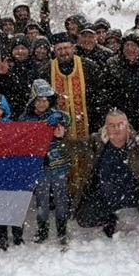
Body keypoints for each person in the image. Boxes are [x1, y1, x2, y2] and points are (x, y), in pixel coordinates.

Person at [77, 109, 139, 240]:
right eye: (112, 125)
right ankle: (109, 219)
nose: (116, 128)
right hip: (106, 196)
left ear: (127, 125)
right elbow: (75, 148)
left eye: (120, 124)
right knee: (83, 218)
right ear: (106, 127)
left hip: (135, 193)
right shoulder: (96, 141)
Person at [50, 38, 107, 204]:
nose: (63, 52)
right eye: (59, 49)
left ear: (73, 48)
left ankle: (87, 195)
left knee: (89, 161)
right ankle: (64, 197)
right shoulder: (47, 70)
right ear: (54, 51)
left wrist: (98, 122)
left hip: (88, 126)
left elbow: (100, 96)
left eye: (66, 48)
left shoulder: (89, 67)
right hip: (59, 131)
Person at [22, 80, 72, 247]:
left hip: (59, 165)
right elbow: (22, 132)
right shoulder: (25, 119)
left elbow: (68, 120)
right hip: (39, 167)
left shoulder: (57, 115)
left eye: (45, 99)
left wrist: (61, 126)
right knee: (42, 200)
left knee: (61, 199)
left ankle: (62, 229)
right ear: (33, 101)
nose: (42, 103)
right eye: (39, 100)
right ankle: (42, 229)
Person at [0, 94, 24, 250]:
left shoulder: (13, 127)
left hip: (11, 173)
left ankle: (17, 236)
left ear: (5, 110)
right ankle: (2, 237)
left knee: (14, 204)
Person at [105, 30, 139, 134]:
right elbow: (108, 93)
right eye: (127, 45)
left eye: (134, 46)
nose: (129, 49)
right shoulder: (113, 64)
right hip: (119, 119)